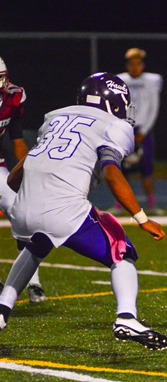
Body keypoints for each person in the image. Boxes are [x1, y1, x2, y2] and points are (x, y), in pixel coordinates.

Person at [0, 72, 167, 350]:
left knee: (35, 246)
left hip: (22, 207)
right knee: (121, 250)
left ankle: (1, 312)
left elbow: (14, 178)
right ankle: (127, 317)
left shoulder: (55, 117)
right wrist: (141, 218)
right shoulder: (115, 126)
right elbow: (112, 173)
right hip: (64, 209)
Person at [0, 56, 46, 303]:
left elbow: (16, 140)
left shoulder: (13, 98)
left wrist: (29, 172)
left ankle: (33, 281)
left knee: (21, 211)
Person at [109, 47, 164, 216]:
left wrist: (144, 130)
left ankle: (151, 204)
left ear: (142, 65)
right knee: (120, 168)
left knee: (146, 167)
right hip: (124, 128)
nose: (135, 67)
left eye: (138, 63)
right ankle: (119, 205)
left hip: (142, 128)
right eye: (131, 64)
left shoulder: (152, 80)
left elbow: (153, 108)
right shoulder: (119, 80)